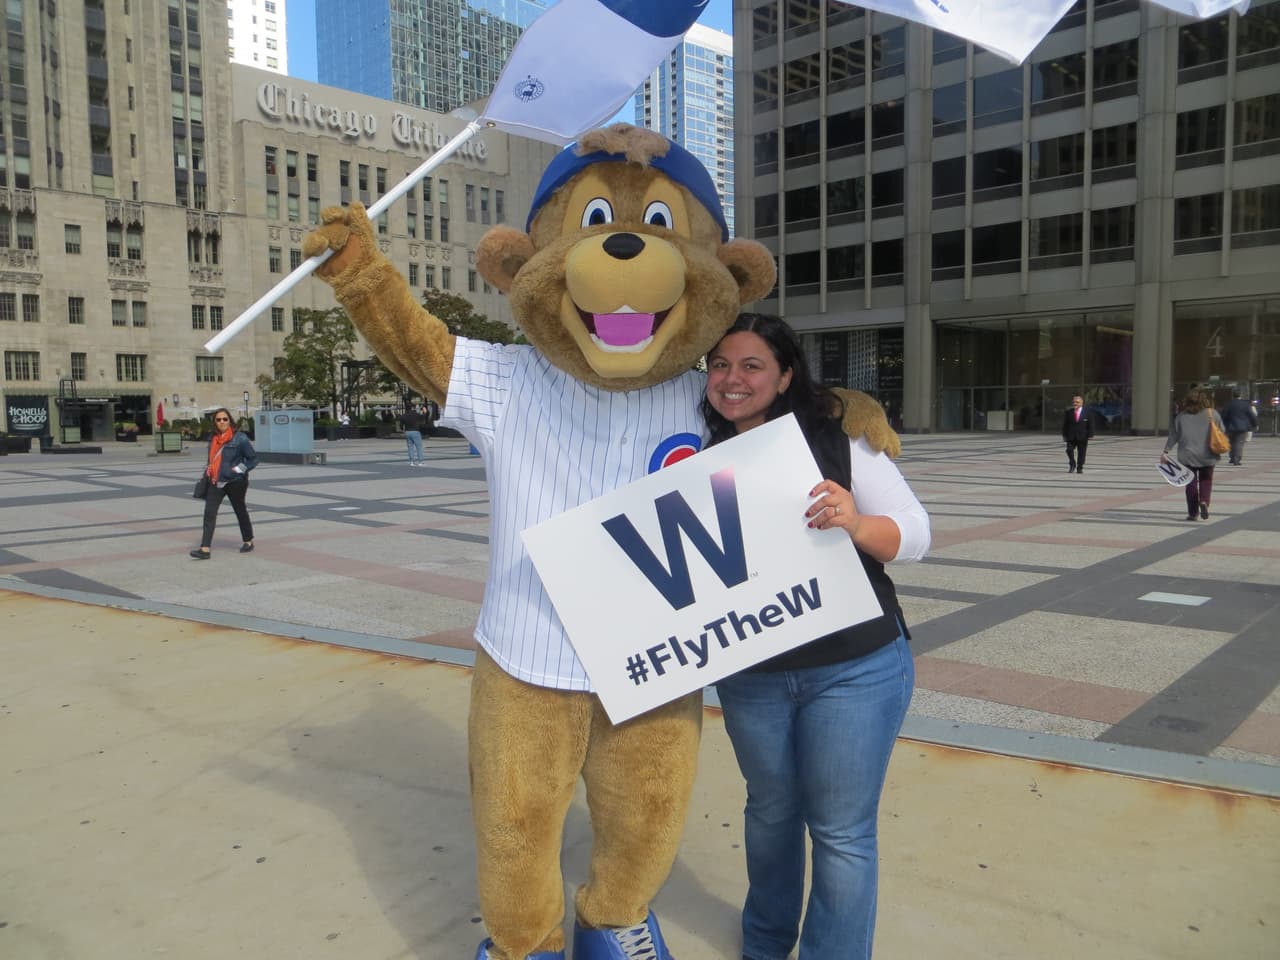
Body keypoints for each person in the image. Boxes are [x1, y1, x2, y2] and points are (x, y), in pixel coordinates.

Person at [700, 313, 931, 960]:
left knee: (841, 833)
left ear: (785, 376)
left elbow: (916, 532)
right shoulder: (691, 447)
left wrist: (856, 522)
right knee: (770, 813)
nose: (733, 378)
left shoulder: (838, 435)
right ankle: (765, 943)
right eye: (720, 365)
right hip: (752, 673)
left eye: (752, 365)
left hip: (855, 667)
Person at [191, 407, 257, 559]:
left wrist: (238, 470)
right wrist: (210, 469)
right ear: (215, 422)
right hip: (216, 481)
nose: (222, 422)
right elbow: (213, 458)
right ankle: (205, 548)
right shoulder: (213, 438)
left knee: (240, 511)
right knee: (209, 513)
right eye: (218, 419)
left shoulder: (240, 438)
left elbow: (253, 459)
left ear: (230, 421)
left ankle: (248, 540)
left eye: (225, 419)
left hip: (235, 482)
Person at [1162, 389, 1225, 521]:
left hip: (1187, 455)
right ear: (1204, 400)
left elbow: (1174, 435)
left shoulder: (1181, 416)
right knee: (1206, 480)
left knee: (1190, 483)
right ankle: (1204, 501)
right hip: (1208, 454)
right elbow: (1222, 430)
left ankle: (1193, 513)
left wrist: (1166, 451)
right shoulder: (1212, 414)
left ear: (1187, 401)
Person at [1221, 390, 1258, 465]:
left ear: (1233, 395)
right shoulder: (1245, 404)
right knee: (1239, 443)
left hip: (1230, 427)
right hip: (1242, 427)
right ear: (1240, 395)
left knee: (1231, 442)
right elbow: (1252, 415)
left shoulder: (1229, 404)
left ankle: (1232, 457)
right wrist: (1255, 424)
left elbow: (1224, 415)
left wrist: (1224, 425)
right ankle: (1237, 459)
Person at [1061, 395, 1093, 473]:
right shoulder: (1069, 412)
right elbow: (1065, 424)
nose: (1075, 403)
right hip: (1071, 435)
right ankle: (1072, 463)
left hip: (1083, 436)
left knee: (1082, 453)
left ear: (1081, 403)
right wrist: (1064, 435)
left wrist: (1091, 434)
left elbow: (1091, 424)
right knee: (1069, 450)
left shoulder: (1087, 412)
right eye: (1074, 402)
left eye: (1077, 402)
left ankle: (1080, 467)